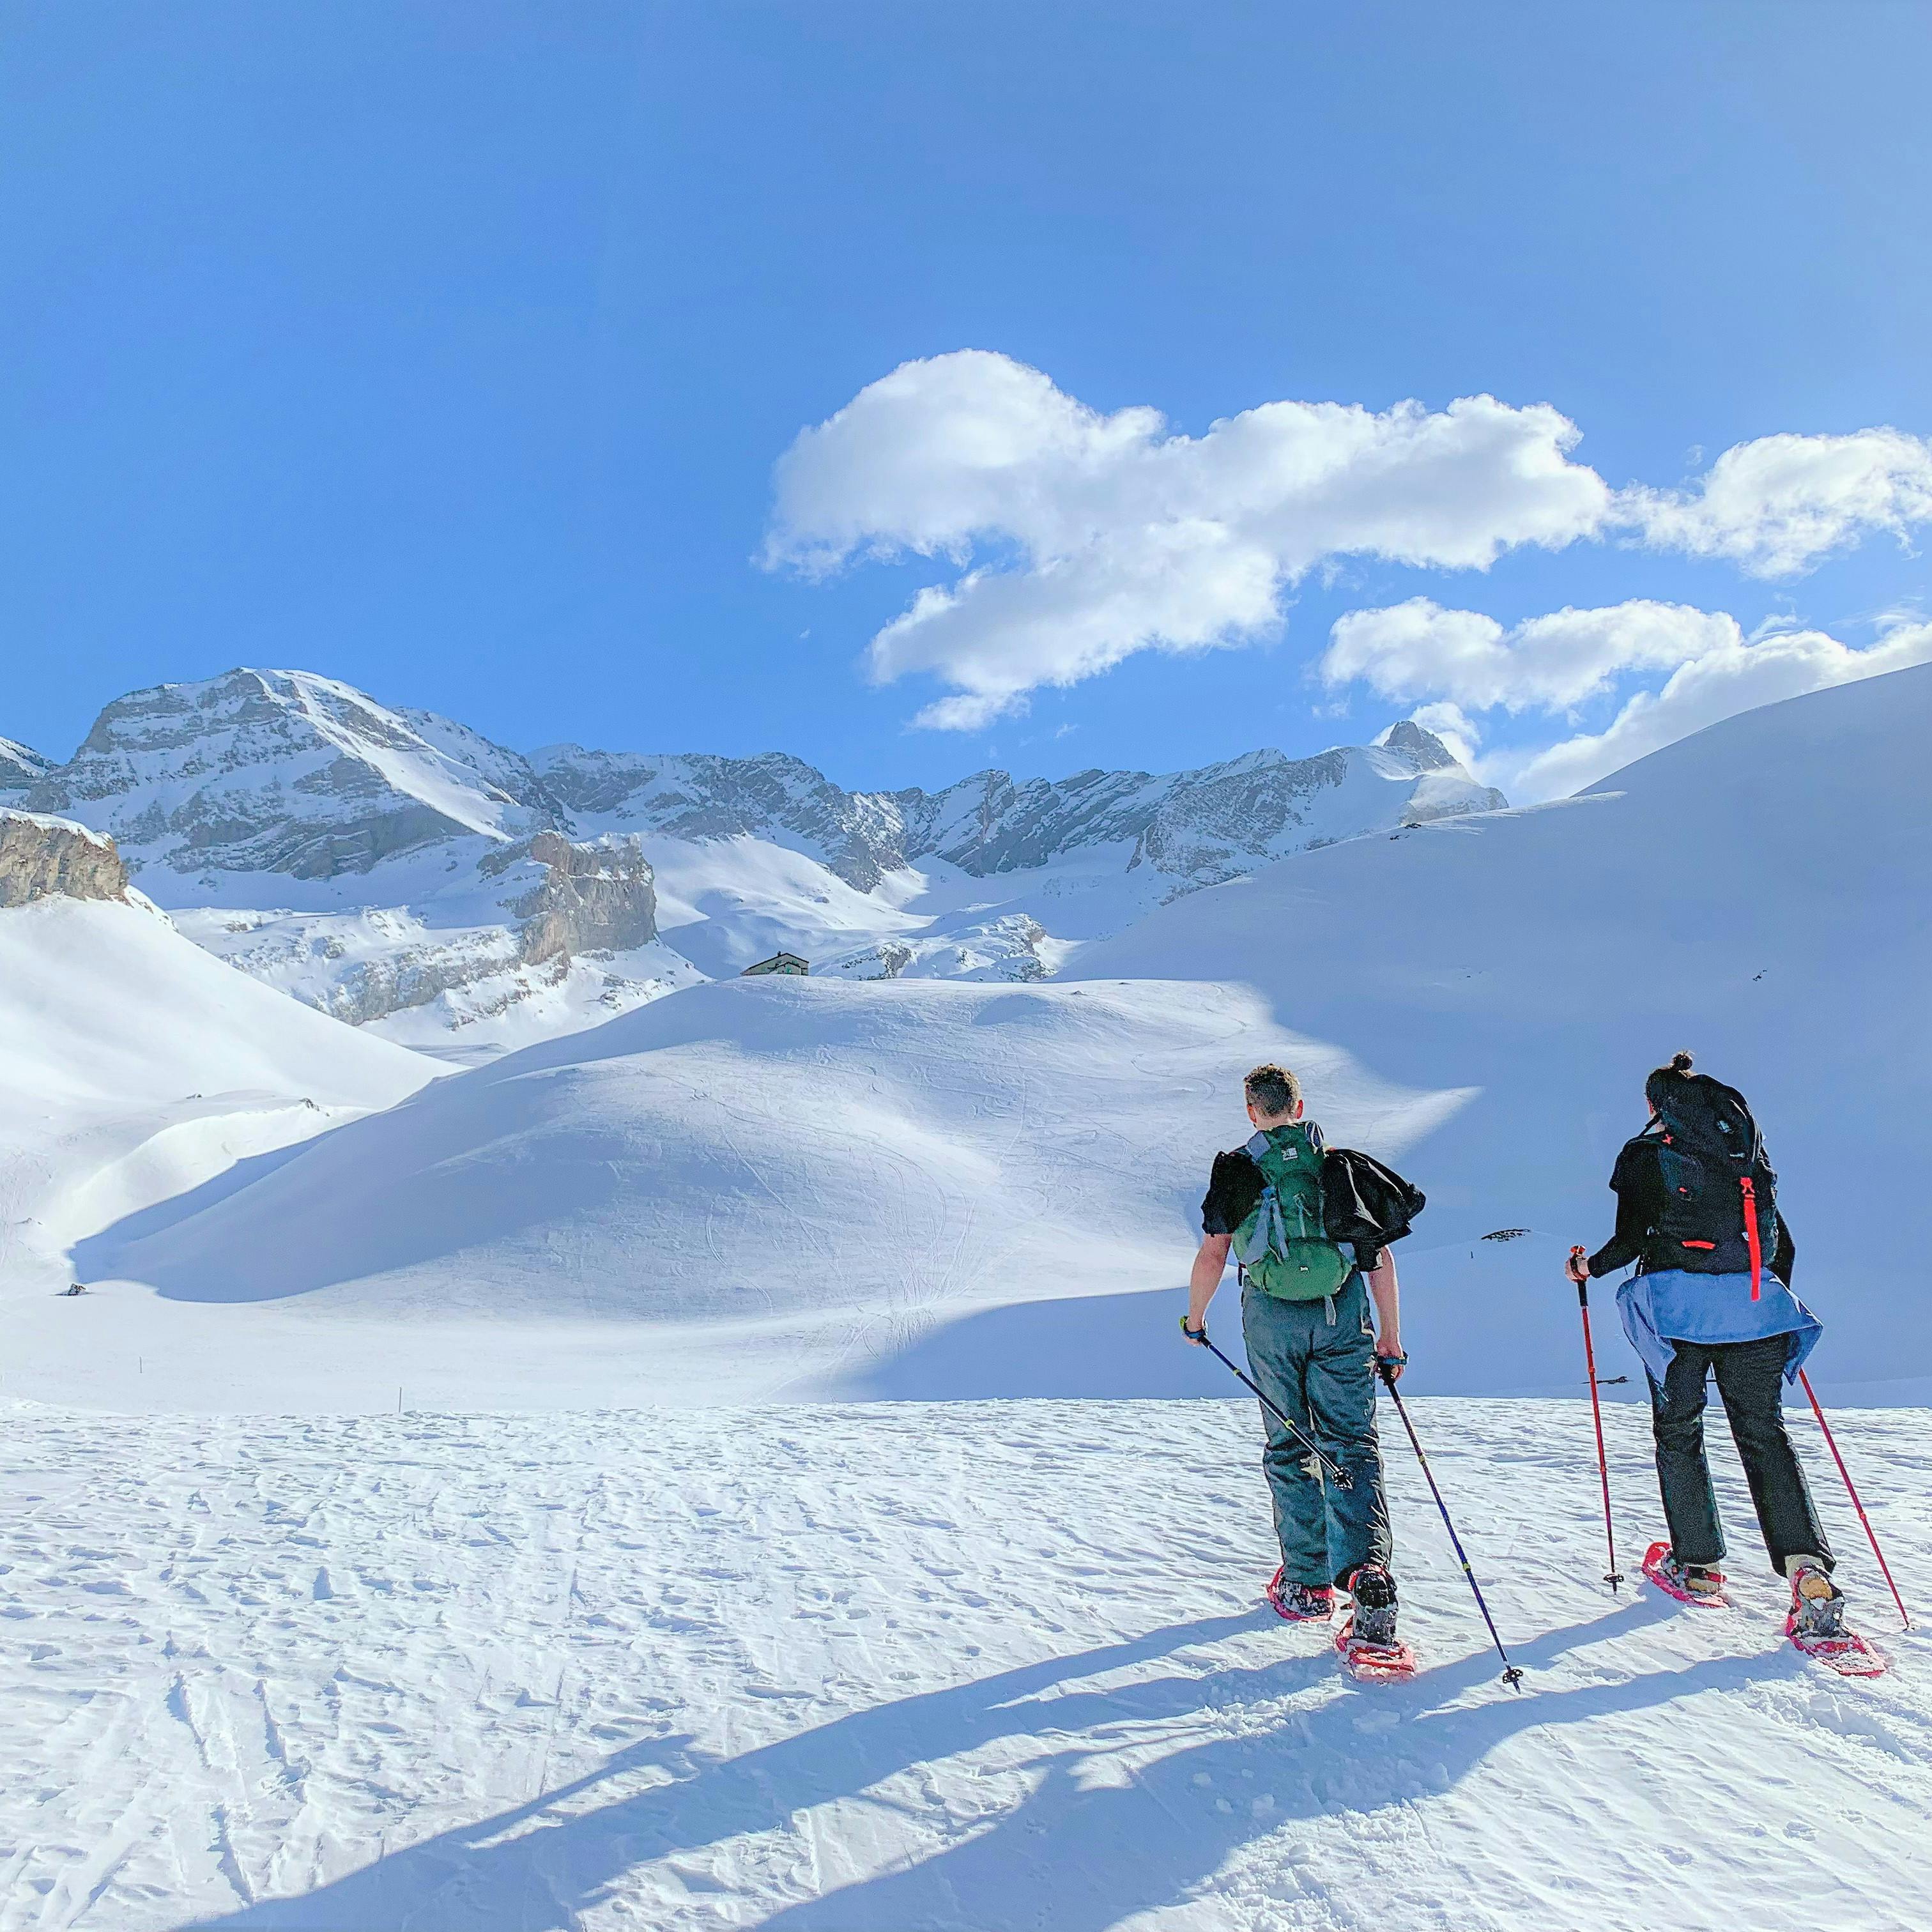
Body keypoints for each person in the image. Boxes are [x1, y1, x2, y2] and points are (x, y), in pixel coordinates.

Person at [1567, 1050, 1844, 1637]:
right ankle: (1808, 1573)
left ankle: (1698, 1568)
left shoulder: (1645, 1154)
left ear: (1655, 1104)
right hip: (1754, 1309)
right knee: (1764, 1434)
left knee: (1679, 1431)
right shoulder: (1743, 1151)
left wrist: (1587, 1269)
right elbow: (1779, 1242)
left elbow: (1631, 1237)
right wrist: (1764, 1303)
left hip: (1676, 1315)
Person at [1183, 1062, 1408, 1648]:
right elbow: (1378, 1257)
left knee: (1290, 1443)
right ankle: (1367, 1576)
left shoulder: (1237, 1169)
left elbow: (1213, 1254)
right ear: (1299, 1108)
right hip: (1342, 1315)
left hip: (1271, 1321)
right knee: (1351, 1442)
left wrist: (1196, 1320)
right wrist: (1390, 1337)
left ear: (1252, 1112)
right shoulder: (1340, 1166)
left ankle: (1307, 1583)